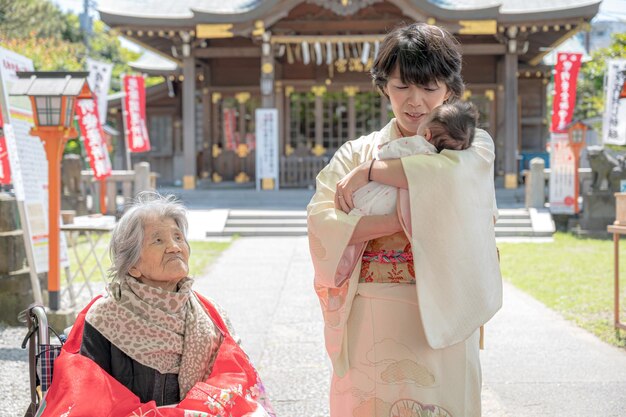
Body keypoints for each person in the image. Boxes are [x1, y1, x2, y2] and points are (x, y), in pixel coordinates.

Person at [307, 23, 502, 417]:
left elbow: (453, 182)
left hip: (446, 308)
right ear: (383, 87)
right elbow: (321, 221)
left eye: (429, 88)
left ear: (449, 89)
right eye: (401, 87)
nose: (415, 101)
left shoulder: (471, 143)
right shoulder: (353, 152)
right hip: (372, 309)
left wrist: (371, 173)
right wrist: (405, 217)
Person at [40, 192, 275, 417]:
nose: (174, 247)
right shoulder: (106, 316)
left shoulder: (210, 312)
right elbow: (88, 398)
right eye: (158, 240)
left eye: (178, 237)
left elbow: (236, 379)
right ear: (132, 265)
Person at [350, 101, 479, 216]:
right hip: (396, 206)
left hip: (376, 195)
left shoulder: (417, 144)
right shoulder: (437, 160)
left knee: (356, 207)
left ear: (426, 134)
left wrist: (382, 148)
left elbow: (384, 154)